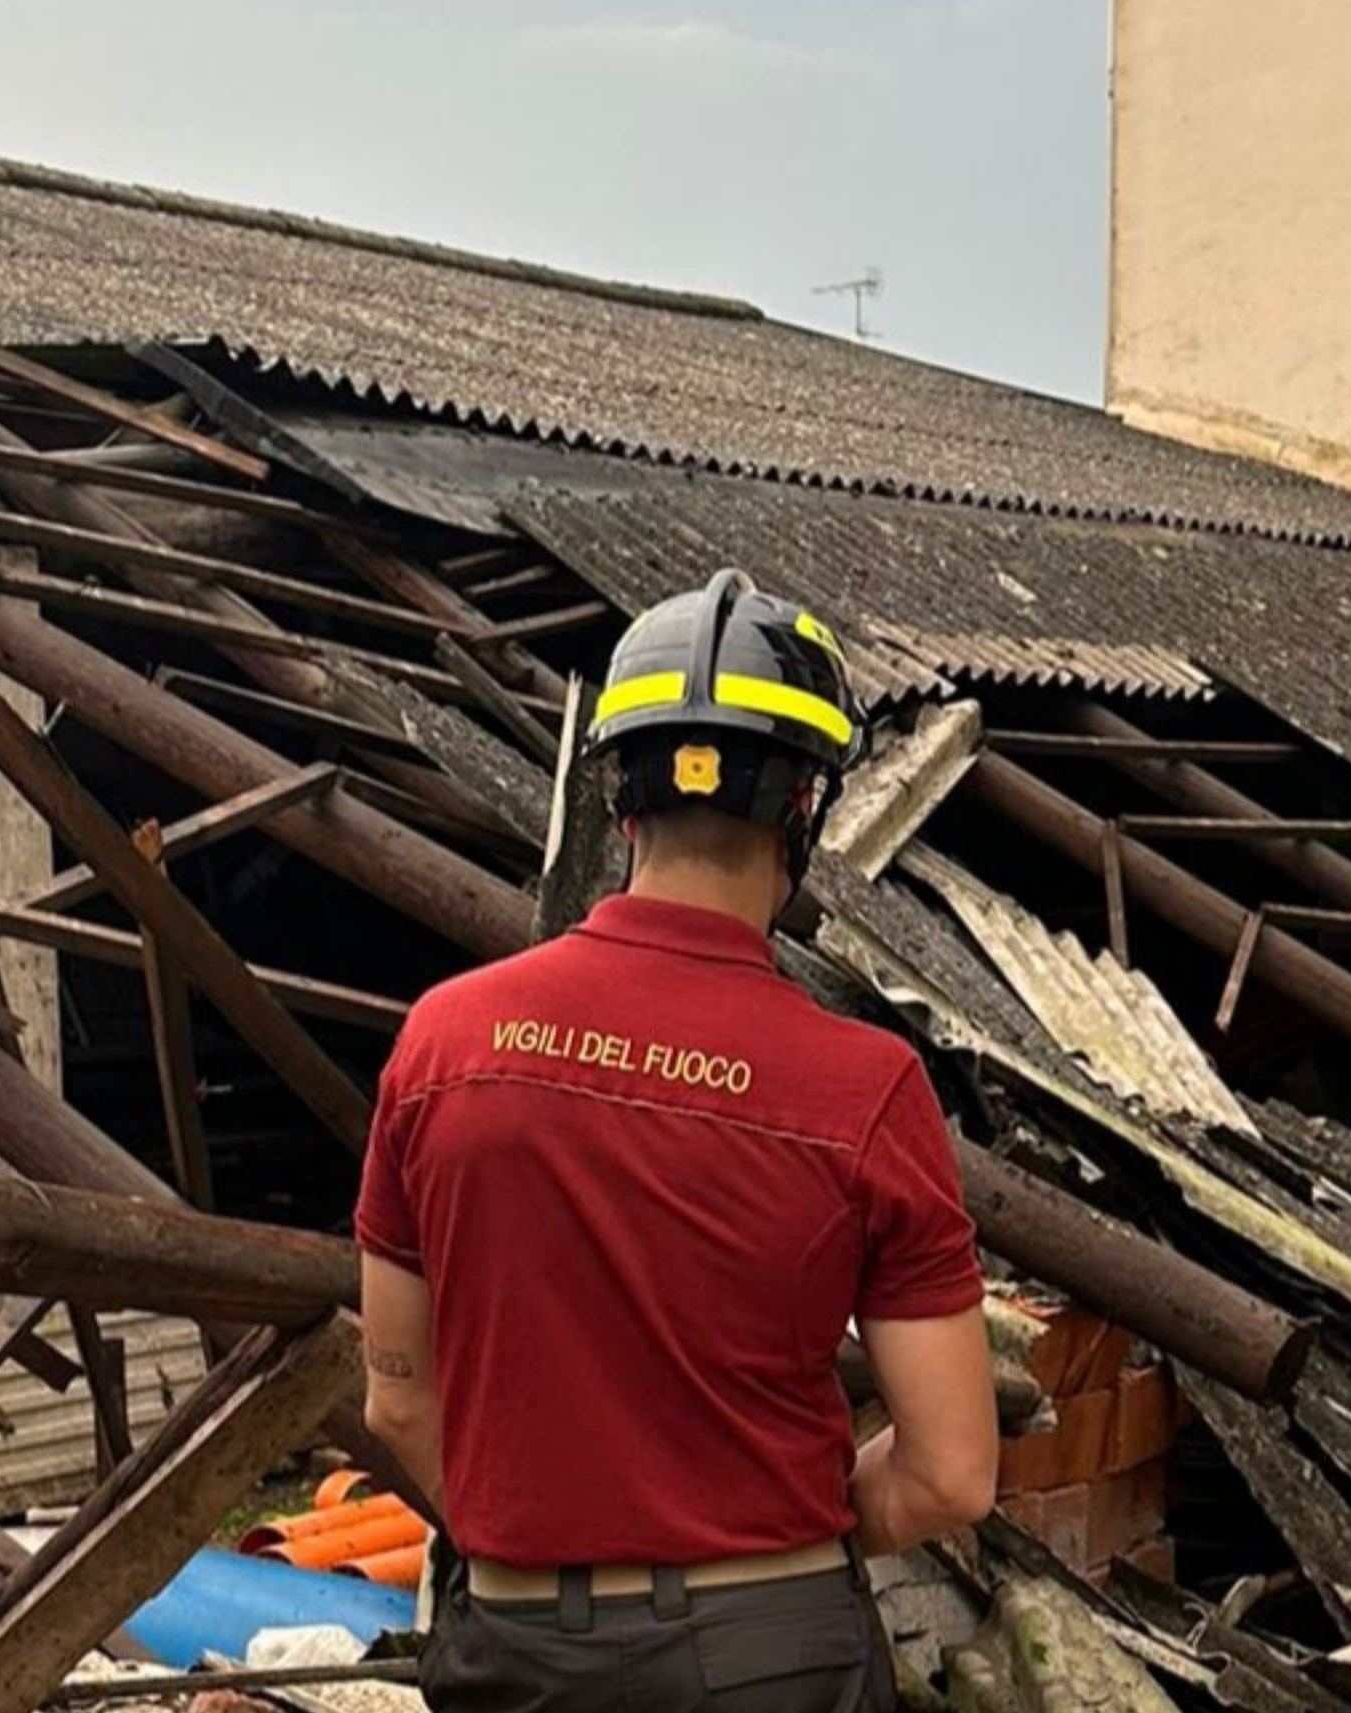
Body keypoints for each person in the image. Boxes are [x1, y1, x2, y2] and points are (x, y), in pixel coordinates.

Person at [355, 569, 1002, 1713]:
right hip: (766, 1654)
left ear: (620, 798)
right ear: (804, 808)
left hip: (513, 1653)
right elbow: (950, 1475)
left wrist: (536, 1547)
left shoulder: (442, 1042)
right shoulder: (863, 1087)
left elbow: (399, 1401)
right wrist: (772, 1528)